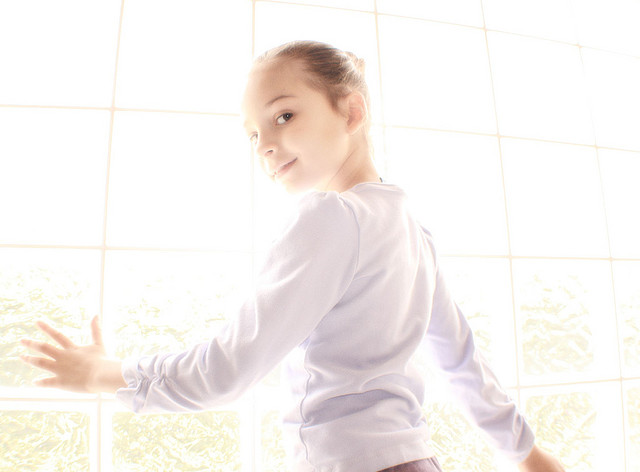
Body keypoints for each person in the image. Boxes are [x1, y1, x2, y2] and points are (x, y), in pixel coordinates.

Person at [20, 40, 565, 472]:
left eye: (283, 116)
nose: (263, 145)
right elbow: (461, 360)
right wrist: (526, 451)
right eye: (253, 133)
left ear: (352, 112)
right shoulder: (410, 229)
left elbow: (226, 370)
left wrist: (103, 374)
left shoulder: (332, 216)